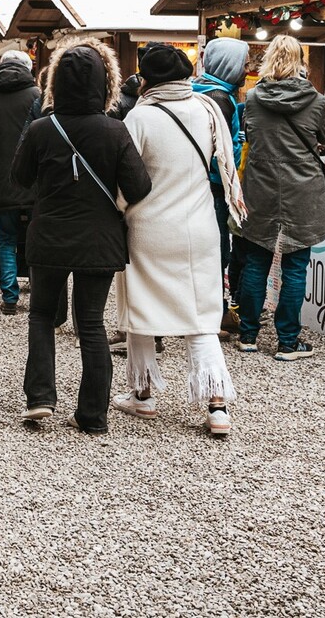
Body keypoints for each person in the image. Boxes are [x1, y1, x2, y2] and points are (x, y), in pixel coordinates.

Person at [15, 41, 152, 433]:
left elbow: (19, 178)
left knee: (42, 315)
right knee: (90, 323)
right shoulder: (115, 130)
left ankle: (40, 397)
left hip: (50, 235)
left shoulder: (42, 129)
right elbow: (139, 186)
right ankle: (92, 414)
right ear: (105, 82)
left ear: (55, 82)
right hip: (99, 238)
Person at [115, 44, 247, 438]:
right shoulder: (206, 110)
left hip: (148, 227)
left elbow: (127, 177)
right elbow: (222, 160)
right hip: (201, 225)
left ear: (147, 79)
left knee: (141, 310)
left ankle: (143, 394)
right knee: (201, 316)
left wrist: (119, 207)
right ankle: (217, 406)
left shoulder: (139, 117)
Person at [233, 33, 325, 360]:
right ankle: (288, 341)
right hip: (302, 189)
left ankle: (248, 334)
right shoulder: (316, 101)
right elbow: (324, 143)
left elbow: (249, 134)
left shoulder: (252, 99)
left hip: (260, 187)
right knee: (295, 266)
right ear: (300, 62)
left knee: (256, 261)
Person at [0, 49, 41, 314]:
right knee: (37, 238)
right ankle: (38, 291)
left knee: (6, 239)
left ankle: (10, 297)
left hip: (2, 178)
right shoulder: (37, 96)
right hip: (34, 179)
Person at [192, 36, 250, 331]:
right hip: (215, 186)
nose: (246, 69)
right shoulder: (221, 100)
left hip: (196, 184)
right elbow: (221, 153)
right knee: (217, 252)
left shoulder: (198, 91)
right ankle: (217, 314)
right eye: (243, 63)